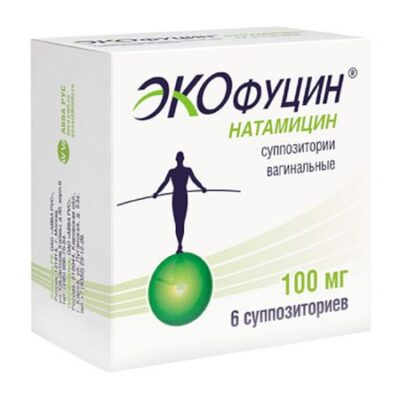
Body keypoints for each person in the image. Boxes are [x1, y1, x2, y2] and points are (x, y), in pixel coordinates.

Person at [153, 152, 206, 253]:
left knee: (181, 222)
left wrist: (202, 187)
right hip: (177, 197)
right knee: (178, 222)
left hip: (182, 197)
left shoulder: (187, 170)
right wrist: (157, 193)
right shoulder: (172, 172)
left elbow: (195, 180)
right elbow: (164, 183)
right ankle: (179, 243)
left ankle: (180, 243)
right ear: (179, 159)